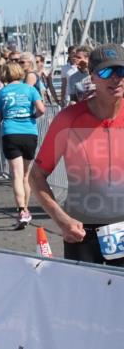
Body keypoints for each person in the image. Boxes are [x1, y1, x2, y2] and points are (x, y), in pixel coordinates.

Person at [29, 43, 124, 266]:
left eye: (121, 71)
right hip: (82, 232)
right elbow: (36, 176)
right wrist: (61, 219)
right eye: (106, 72)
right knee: (84, 290)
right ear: (92, 77)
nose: (115, 78)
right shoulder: (69, 119)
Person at [0, 61, 44, 229]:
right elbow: (42, 109)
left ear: (4, 75)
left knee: (16, 174)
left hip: (11, 133)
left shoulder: (2, 92)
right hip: (29, 133)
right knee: (26, 176)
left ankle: (22, 211)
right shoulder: (30, 89)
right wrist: (31, 117)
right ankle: (25, 210)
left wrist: (8, 113)